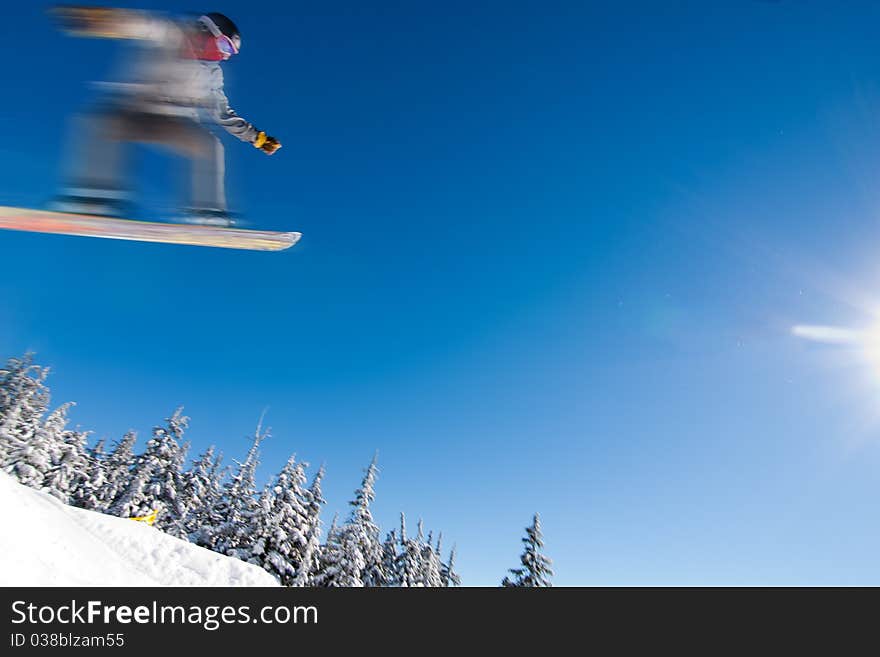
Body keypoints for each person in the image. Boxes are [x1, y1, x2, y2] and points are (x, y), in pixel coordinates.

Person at [51, 6, 281, 226]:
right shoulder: (170, 33)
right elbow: (140, 25)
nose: (225, 55)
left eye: (230, 51)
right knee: (96, 123)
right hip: (131, 111)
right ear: (205, 32)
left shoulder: (211, 74)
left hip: (173, 121)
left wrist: (258, 138)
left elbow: (223, 114)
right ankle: (94, 195)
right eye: (224, 45)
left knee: (208, 145)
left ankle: (207, 210)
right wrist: (100, 21)